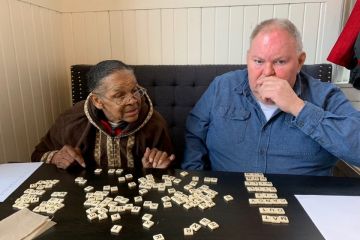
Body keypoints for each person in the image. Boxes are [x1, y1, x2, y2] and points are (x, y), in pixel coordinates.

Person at [182, 18, 360, 176]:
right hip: (230, 200)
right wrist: (195, 179)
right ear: (248, 58)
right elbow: (194, 135)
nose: (267, 72)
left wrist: (297, 107)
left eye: (280, 62)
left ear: (300, 62)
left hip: (302, 203)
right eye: (258, 61)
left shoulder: (326, 96)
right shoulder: (222, 87)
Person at [32, 60, 175, 170]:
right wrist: (55, 157)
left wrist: (158, 168)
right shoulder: (71, 121)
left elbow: (170, 169)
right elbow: (36, 156)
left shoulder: (155, 123)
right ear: (97, 101)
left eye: (135, 90)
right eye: (119, 95)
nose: (133, 100)